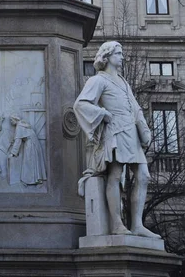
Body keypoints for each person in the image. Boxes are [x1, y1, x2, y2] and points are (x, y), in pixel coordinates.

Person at [73, 41, 160, 238]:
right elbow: (81, 104)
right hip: (115, 131)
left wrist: (144, 130)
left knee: (144, 176)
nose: (122, 57)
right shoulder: (98, 80)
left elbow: (135, 107)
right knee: (115, 174)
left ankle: (137, 225)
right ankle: (117, 224)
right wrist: (102, 113)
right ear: (107, 56)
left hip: (131, 133)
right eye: (118, 53)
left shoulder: (123, 81)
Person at [9, 115, 47, 186]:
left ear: (15, 119)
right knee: (33, 161)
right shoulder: (23, 123)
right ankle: (36, 179)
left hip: (30, 143)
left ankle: (29, 180)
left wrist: (12, 153)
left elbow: (18, 142)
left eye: (11, 120)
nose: (11, 122)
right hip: (33, 142)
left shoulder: (19, 126)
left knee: (29, 161)